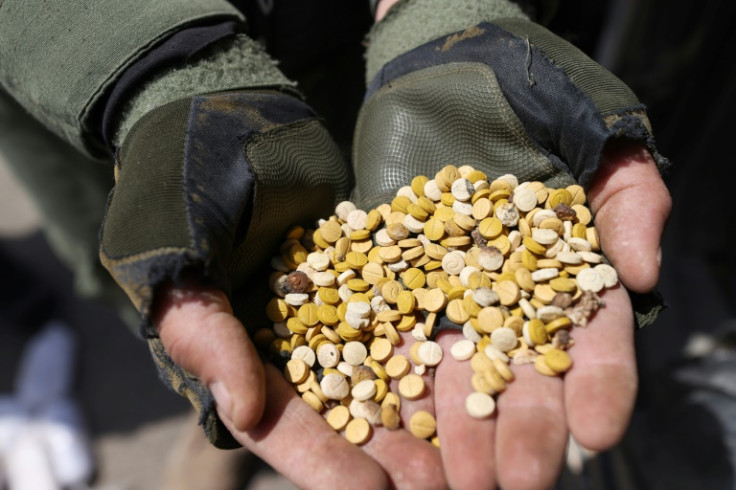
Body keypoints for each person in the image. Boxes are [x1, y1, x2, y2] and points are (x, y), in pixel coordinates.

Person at [0, 0, 671, 488]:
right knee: (181, 266)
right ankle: (228, 419)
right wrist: (161, 71)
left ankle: (241, 405)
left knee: (228, 288)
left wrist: (442, 14)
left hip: (364, 39)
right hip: (92, 81)